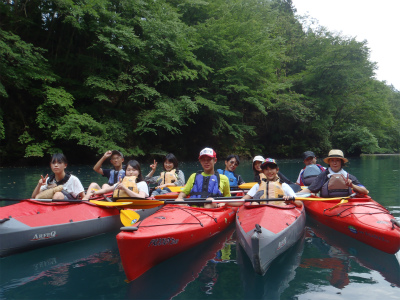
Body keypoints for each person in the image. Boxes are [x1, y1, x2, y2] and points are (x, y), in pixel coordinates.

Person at [299, 149, 369, 197]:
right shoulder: (323, 175)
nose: (334, 163)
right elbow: (309, 189)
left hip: (345, 204)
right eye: (332, 160)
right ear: (329, 162)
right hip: (326, 204)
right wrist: (294, 195)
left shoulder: (348, 176)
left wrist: (352, 186)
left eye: (337, 160)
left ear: (341, 162)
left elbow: (365, 191)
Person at [235, 158, 302, 207]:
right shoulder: (257, 186)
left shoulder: (284, 185)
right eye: (266, 169)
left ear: (277, 170)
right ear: (263, 172)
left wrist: (289, 200)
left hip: (279, 212)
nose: (269, 172)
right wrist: (225, 203)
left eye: (272, 168)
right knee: (254, 203)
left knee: (283, 204)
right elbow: (241, 201)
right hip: (261, 212)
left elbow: (299, 203)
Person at [84, 160, 149, 199]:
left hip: (134, 205)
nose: (131, 172)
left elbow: (141, 197)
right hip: (122, 204)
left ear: (139, 172)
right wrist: (94, 192)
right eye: (128, 170)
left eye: (134, 170)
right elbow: (107, 190)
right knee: (102, 186)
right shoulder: (123, 182)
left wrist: (125, 189)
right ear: (125, 171)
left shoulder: (142, 183)